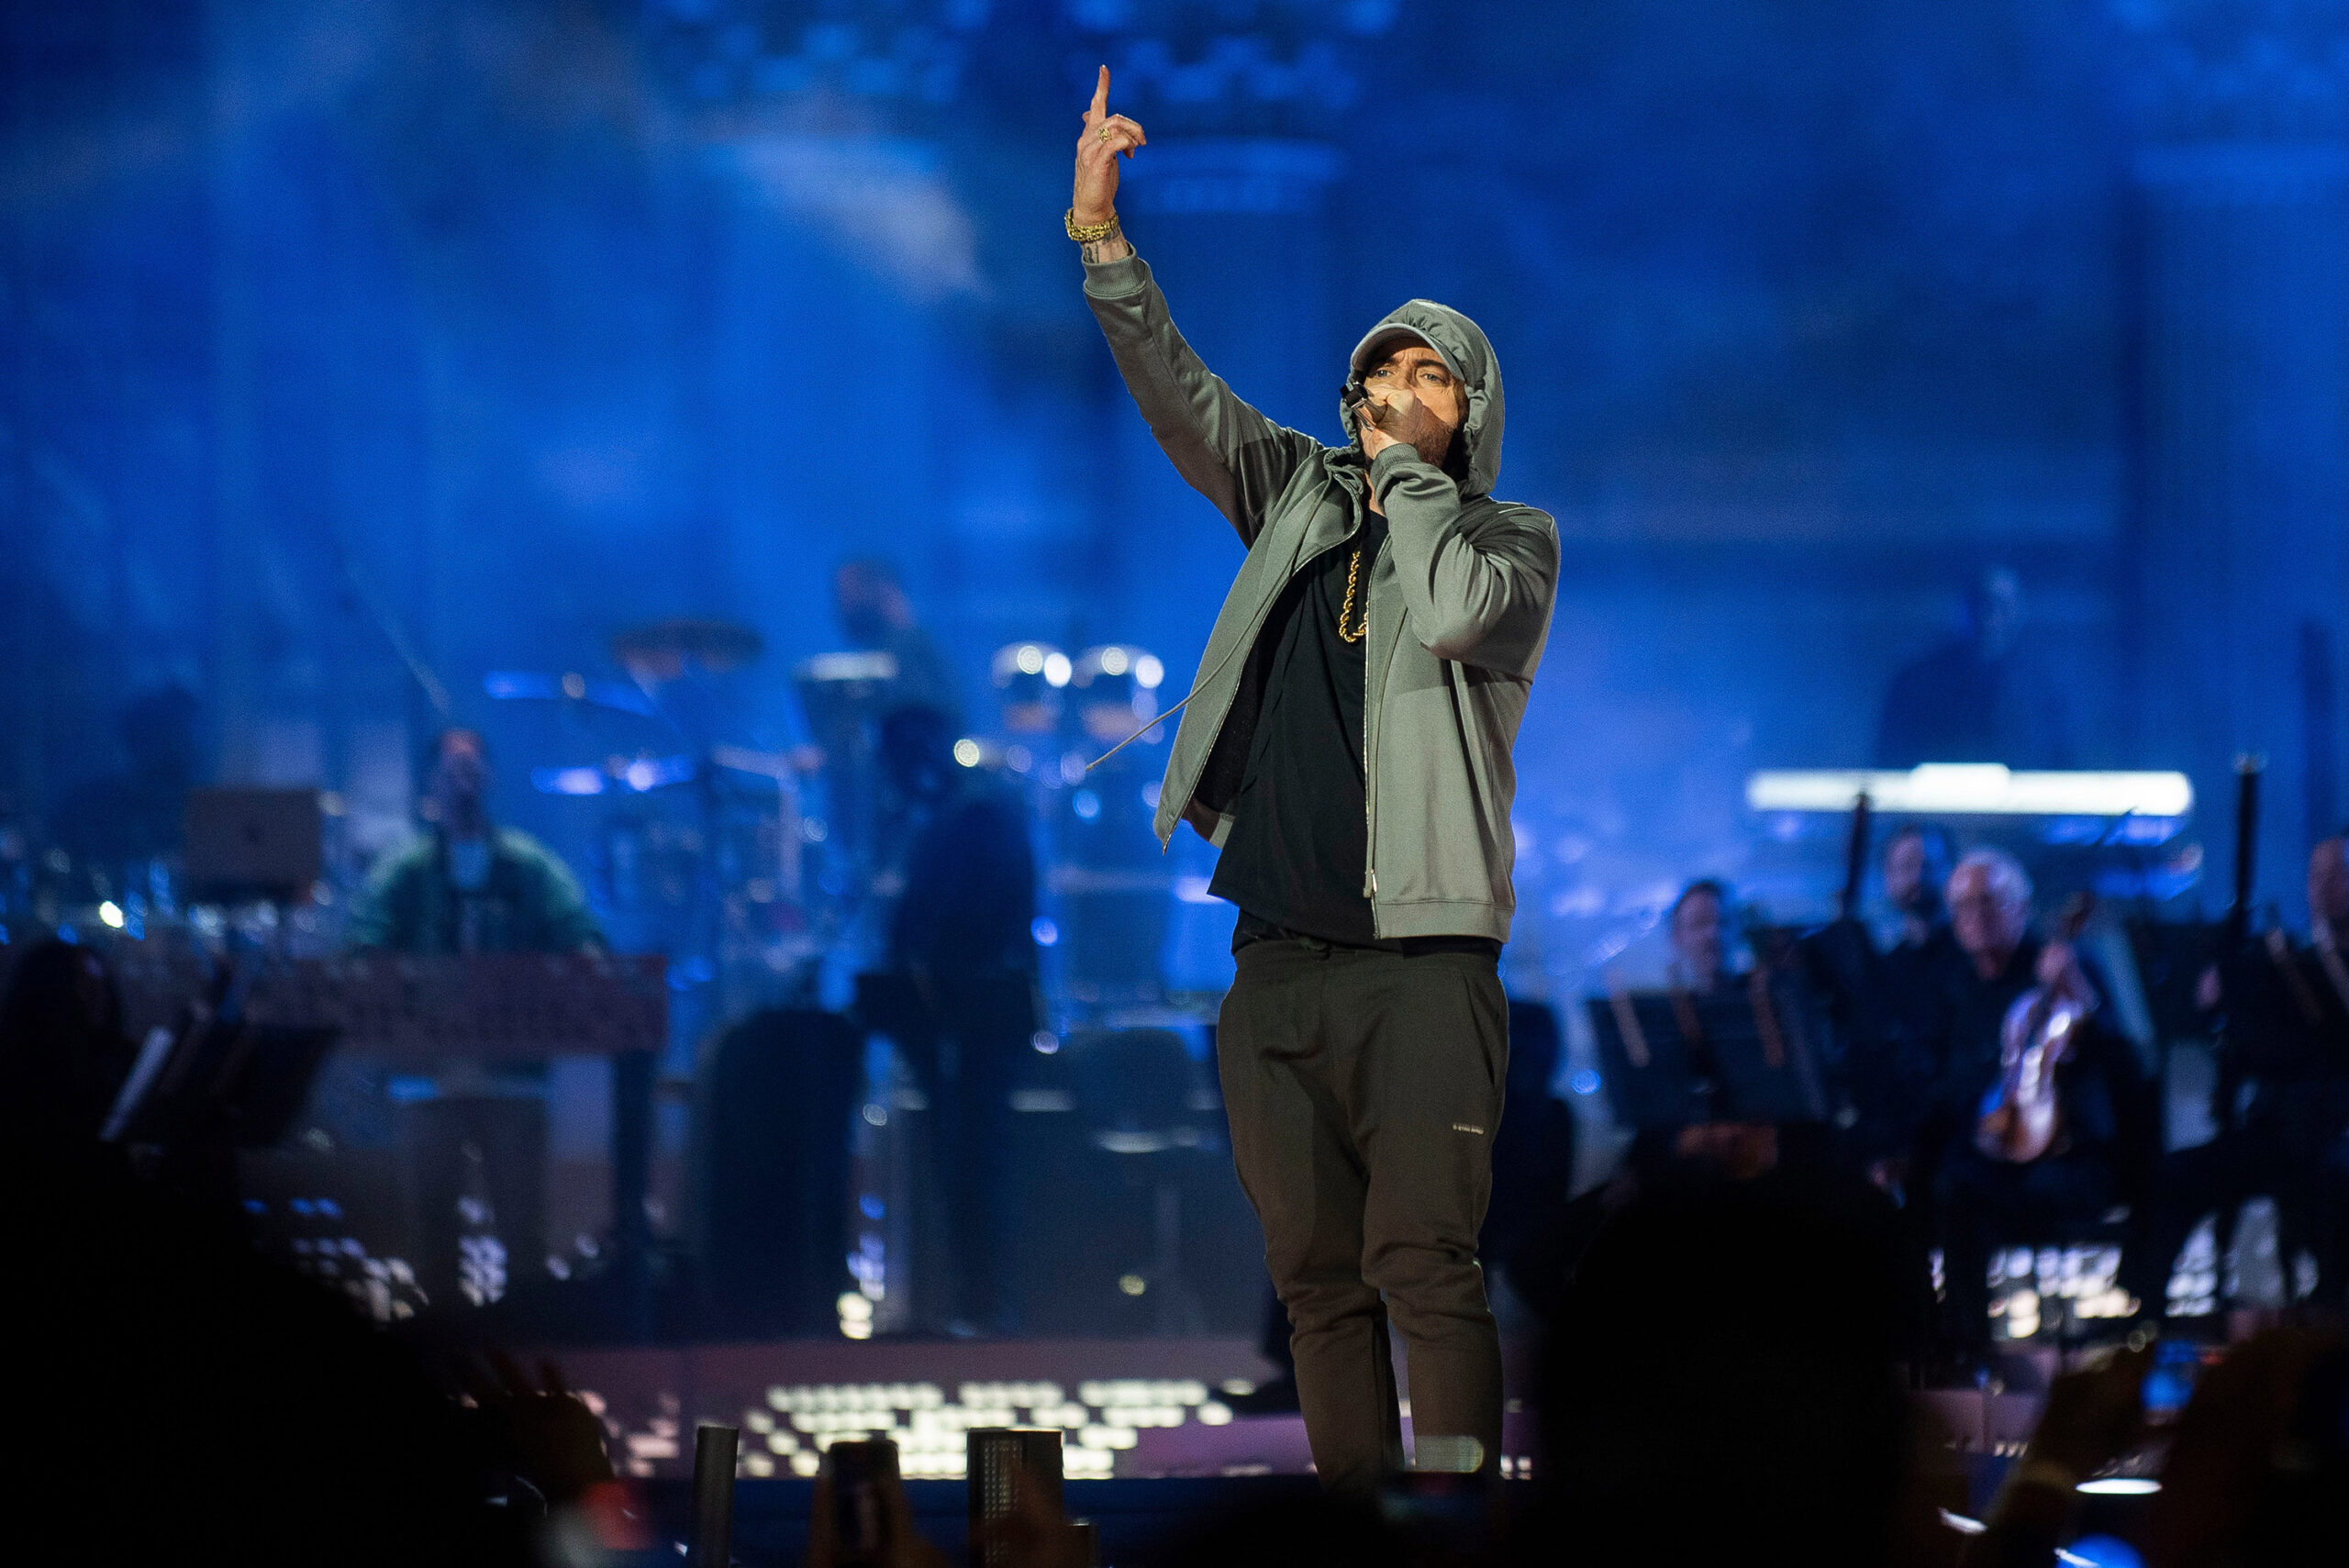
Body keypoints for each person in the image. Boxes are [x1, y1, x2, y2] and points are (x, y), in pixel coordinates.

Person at [1071, 68, 1559, 1489]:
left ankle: (1454, 1524)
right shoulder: (1294, 494)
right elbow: (1182, 398)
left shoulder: (1510, 540)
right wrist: (1103, 240)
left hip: (1422, 961)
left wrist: (1409, 478)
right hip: (1276, 954)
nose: (1394, 392)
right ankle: (1359, 1531)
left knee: (1425, 1262)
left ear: (1471, 410)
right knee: (1316, 1283)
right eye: (1379, 374)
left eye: (1429, 376)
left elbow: (1453, 615)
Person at [1932, 849, 2155, 1365]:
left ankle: (2055, 1357)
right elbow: (1950, 1082)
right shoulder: (1957, 988)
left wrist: (2079, 994)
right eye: (1963, 906)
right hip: (1996, 1153)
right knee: (1949, 1190)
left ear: (2020, 907)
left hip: (2073, 1154)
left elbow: (2128, 1066)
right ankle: (1969, 1352)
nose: (1975, 916)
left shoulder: (2066, 965)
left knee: (2027, 1195)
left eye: (1988, 901)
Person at [2125, 835, 2349, 1318]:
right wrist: (2220, 1004)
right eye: (2317, 875)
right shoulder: (2287, 962)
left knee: (2330, 1179)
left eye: (2339, 874)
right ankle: (2146, 1313)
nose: (2325, 886)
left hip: (2334, 1138)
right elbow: (2257, 1049)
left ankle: (2330, 1308)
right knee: (2178, 1174)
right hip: (2280, 1132)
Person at [870, 703, 1039, 1335]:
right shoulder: (964, 816)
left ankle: (983, 1299)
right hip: (969, 1012)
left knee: (975, 1159)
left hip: (974, 1016)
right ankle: (973, 1297)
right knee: (967, 1156)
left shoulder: (973, 818)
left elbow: (944, 925)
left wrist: (930, 978)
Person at [348, 728, 601, 956]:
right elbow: (363, 943)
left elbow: (580, 933)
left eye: (471, 772)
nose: (463, 787)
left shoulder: (529, 864)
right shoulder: (403, 869)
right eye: (452, 775)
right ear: (433, 781)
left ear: (489, 777)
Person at [1876, 568, 2073, 769]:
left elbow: (2061, 761)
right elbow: (1890, 758)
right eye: (1982, 604)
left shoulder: (2044, 688)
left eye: (2002, 606)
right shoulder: (1916, 681)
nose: (1990, 617)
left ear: (2020, 611)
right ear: (1964, 608)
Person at [47, 683, 204, 899]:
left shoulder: (205, 810)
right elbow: (64, 868)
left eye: (181, 735)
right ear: (136, 741)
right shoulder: (91, 804)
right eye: (164, 735)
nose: (181, 745)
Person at [834, 558, 961, 722]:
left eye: (851, 592)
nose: (844, 605)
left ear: (882, 589)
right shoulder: (894, 648)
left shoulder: (908, 649)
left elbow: (921, 717)